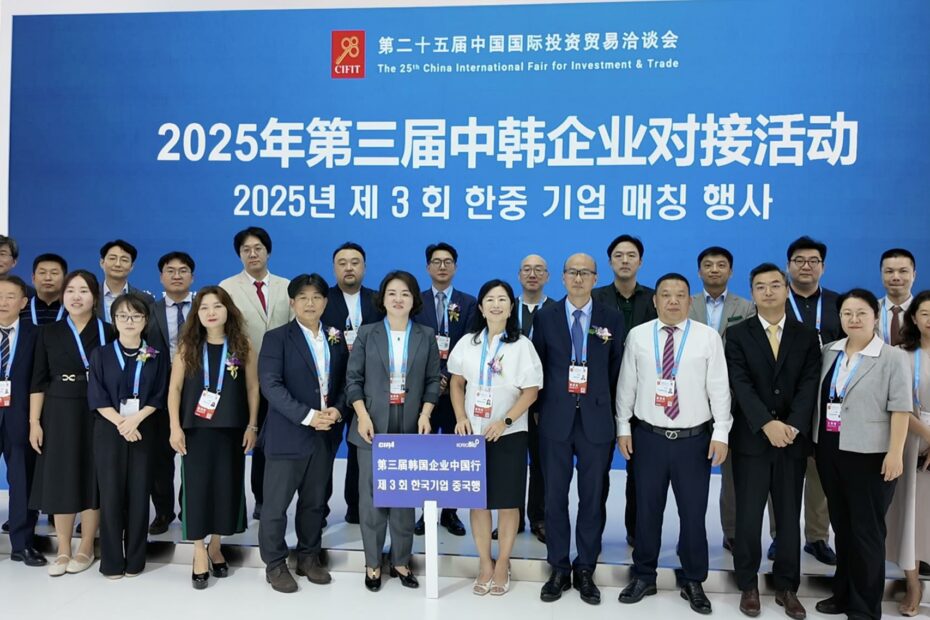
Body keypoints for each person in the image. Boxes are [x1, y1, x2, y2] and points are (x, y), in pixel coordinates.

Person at [617, 273, 731, 615]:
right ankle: (644, 575)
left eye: (680, 295)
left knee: (693, 514)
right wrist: (623, 427)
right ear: (655, 300)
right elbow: (627, 385)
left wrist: (721, 432)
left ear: (690, 300)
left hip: (693, 441)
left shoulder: (707, 337)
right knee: (647, 511)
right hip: (648, 437)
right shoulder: (638, 336)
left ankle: (694, 579)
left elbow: (719, 388)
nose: (672, 301)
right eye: (665, 294)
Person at [724, 264, 820, 619]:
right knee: (748, 517)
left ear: (786, 289)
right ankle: (748, 583)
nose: (768, 291)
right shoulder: (737, 335)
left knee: (787, 517)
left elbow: (810, 384)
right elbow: (740, 384)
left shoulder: (806, 336)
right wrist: (766, 423)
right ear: (752, 293)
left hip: (791, 443)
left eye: (775, 285)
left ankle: (787, 587)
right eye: (760, 286)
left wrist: (791, 425)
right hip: (752, 440)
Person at [813, 289, 910, 620]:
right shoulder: (829, 352)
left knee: (867, 532)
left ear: (875, 316)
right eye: (847, 314)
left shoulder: (893, 357)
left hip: (871, 455)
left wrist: (895, 453)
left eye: (861, 313)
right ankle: (842, 594)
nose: (853, 320)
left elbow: (900, 410)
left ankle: (865, 607)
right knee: (842, 526)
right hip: (830, 450)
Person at [534, 253, 623, 605]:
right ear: (563, 277)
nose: (578, 278)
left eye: (585, 273)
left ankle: (586, 567)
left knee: (592, 498)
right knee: (554, 497)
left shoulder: (610, 318)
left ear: (596, 277)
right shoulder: (546, 317)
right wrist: (541, 411)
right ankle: (558, 566)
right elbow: (537, 368)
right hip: (555, 420)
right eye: (572, 272)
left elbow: (617, 371)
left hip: (596, 422)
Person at [346, 270, 440, 592]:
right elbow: (353, 380)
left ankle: (400, 561)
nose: (398, 299)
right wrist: (361, 415)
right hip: (371, 424)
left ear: (414, 300)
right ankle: (373, 563)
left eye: (405, 294)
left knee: (404, 497)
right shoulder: (368, 332)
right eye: (392, 293)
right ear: (382, 299)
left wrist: (426, 413)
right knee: (371, 499)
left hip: (411, 423)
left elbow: (432, 380)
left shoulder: (425, 335)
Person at [449, 279, 543, 596]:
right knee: (477, 502)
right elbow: (456, 383)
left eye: (502, 299)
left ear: (511, 306)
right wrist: (461, 416)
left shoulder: (522, 345)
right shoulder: (468, 343)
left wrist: (504, 421)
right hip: (473, 433)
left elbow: (531, 391)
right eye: (490, 299)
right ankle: (484, 562)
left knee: (507, 501)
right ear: (480, 306)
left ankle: (503, 561)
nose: (496, 304)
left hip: (509, 434)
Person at [258, 274, 349, 593]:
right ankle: (275, 563)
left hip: (324, 437)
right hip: (288, 435)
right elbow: (270, 385)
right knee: (275, 506)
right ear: (292, 302)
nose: (310, 303)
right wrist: (309, 416)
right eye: (303, 297)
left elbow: (344, 383)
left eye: (317, 297)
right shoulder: (277, 338)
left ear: (326, 302)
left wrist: (338, 410)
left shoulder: (335, 339)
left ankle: (308, 556)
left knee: (314, 503)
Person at [167, 286, 259, 590]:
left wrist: (252, 425)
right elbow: (175, 391)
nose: (210, 312)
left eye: (217, 306)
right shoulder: (187, 346)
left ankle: (216, 544)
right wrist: (174, 427)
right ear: (197, 313)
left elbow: (252, 389)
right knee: (195, 490)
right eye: (204, 307)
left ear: (227, 310)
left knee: (225, 488)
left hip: (231, 430)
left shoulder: (242, 345)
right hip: (194, 431)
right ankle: (198, 550)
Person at [29, 270, 115, 576]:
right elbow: (38, 380)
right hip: (58, 410)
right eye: (71, 291)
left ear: (95, 297)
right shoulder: (48, 333)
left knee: (92, 477)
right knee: (60, 476)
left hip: (96, 410)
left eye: (84, 291)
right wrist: (34, 421)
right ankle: (63, 547)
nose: (76, 296)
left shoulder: (109, 331)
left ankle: (86, 546)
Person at [87, 292, 168, 578]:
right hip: (110, 433)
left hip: (144, 431)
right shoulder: (101, 354)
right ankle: (110, 560)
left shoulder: (156, 355)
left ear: (146, 321)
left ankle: (135, 559)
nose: (129, 321)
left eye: (136, 316)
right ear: (114, 321)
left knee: (138, 495)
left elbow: (159, 396)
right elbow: (96, 397)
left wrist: (135, 421)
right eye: (123, 316)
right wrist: (123, 423)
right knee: (110, 496)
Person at [219, 226, 291, 520]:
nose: (252, 254)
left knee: (270, 444)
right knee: (243, 439)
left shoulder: (287, 287)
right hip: (241, 378)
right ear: (239, 254)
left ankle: (264, 499)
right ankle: (233, 502)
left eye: (258, 248)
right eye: (246, 250)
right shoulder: (227, 288)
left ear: (268, 251)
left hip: (279, 379)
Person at [775, 235, 837, 565]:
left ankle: (817, 536)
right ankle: (779, 536)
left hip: (828, 400)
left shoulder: (841, 304)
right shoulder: (776, 302)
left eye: (813, 261)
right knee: (781, 471)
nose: (806, 266)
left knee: (819, 471)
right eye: (799, 260)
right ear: (788, 266)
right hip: (783, 399)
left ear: (823, 268)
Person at [688, 246, 755, 553]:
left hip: (733, 396)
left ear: (730, 271)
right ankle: (689, 534)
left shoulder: (747, 306)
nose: (714, 270)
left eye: (721, 265)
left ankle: (731, 531)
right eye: (708, 265)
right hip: (689, 398)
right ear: (699, 271)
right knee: (689, 473)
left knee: (731, 473)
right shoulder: (686, 303)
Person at [592, 234, 656, 547]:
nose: (625, 260)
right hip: (602, 395)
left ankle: (636, 531)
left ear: (640, 261)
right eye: (619, 255)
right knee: (598, 470)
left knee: (640, 471)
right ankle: (594, 532)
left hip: (645, 396)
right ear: (610, 262)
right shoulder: (595, 298)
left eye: (631, 255)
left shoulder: (656, 299)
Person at [412, 242, 476, 536]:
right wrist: (431, 378)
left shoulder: (469, 303)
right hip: (422, 393)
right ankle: (424, 512)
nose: (442, 266)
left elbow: (471, 345)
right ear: (427, 267)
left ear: (455, 267)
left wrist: (450, 377)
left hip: (456, 393)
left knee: (454, 453)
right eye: (436, 261)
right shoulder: (415, 302)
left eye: (448, 261)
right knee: (424, 454)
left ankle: (450, 512)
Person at [320, 242, 383, 525]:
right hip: (329, 389)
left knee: (361, 451)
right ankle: (318, 508)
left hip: (368, 390)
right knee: (323, 451)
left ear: (364, 267)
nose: (349, 267)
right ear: (334, 268)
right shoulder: (321, 300)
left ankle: (357, 507)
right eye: (342, 262)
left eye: (355, 262)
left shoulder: (378, 300)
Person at [885, 289, 930, 616]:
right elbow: (896, 404)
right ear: (913, 318)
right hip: (911, 440)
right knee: (911, 517)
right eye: (925, 313)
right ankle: (913, 583)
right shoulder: (900, 354)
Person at [145, 251, 195, 535]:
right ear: (161, 276)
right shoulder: (148, 309)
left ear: (192, 276)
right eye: (170, 270)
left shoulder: (205, 307)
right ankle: (163, 511)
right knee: (160, 457)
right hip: (159, 394)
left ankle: (190, 508)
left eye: (183, 270)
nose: (177, 275)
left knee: (193, 455)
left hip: (199, 392)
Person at [0, 275, 44, 566]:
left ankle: (22, 544)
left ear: (23, 302)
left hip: (19, 417)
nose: (3, 302)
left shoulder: (36, 334)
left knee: (22, 481)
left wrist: (34, 421)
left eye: (10, 296)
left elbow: (39, 380)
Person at [512, 254, 556, 543]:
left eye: (539, 270)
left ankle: (539, 517)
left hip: (543, 404)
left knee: (542, 464)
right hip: (508, 403)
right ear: (519, 275)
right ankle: (510, 518)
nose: (532, 274)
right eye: (527, 269)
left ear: (548, 276)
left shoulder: (556, 311)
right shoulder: (504, 306)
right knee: (511, 461)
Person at [97, 239, 155, 321]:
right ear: (102, 262)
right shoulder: (91, 296)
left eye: (124, 260)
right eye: (112, 258)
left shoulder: (145, 300)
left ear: (131, 266)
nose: (117, 264)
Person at [877, 248, 916, 346]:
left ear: (914, 275)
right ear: (881, 275)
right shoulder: (871, 310)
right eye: (889, 271)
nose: (896, 277)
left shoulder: (924, 311)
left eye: (903, 271)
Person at [23, 253, 67, 326]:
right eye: (42, 273)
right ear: (33, 278)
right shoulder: (21, 308)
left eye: (54, 273)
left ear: (65, 279)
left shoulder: (72, 308)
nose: (48, 278)